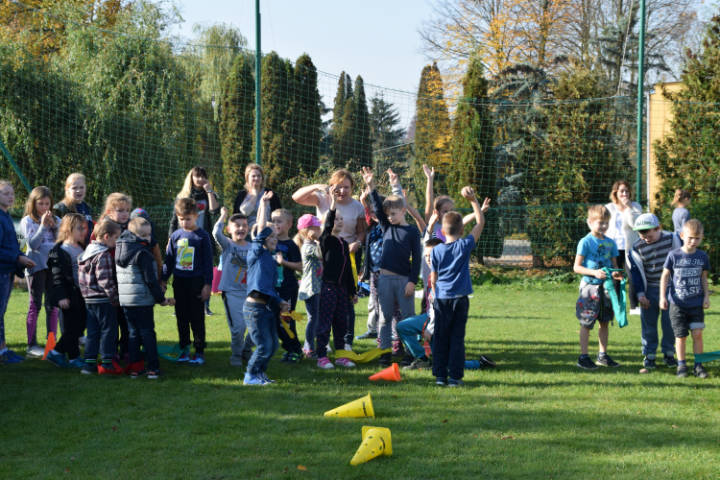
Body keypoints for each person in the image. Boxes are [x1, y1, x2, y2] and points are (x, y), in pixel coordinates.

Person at [292, 169, 366, 347]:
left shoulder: (357, 206)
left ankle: (346, 341)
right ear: (331, 186)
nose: (342, 191)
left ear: (352, 188)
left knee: (348, 298)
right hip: (326, 253)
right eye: (338, 187)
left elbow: (362, 231)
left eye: (346, 187)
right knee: (326, 300)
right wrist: (317, 186)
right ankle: (321, 342)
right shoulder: (323, 198)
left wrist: (357, 242)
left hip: (348, 254)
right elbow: (297, 197)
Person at [429, 187, 490, 387]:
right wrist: (473, 201)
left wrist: (434, 293)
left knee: (440, 337)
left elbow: (433, 276)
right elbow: (480, 223)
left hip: (441, 299)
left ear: (443, 231)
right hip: (459, 299)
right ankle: (454, 378)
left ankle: (440, 377)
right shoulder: (464, 246)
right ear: (462, 230)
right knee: (457, 338)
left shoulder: (436, 250)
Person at [362, 167, 422, 367]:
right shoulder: (385, 227)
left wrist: (412, 281)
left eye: (394, 214)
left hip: (404, 280)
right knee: (385, 318)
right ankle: (385, 353)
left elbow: (418, 258)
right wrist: (371, 186)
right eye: (387, 215)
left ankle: (410, 353)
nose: (390, 217)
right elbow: (378, 208)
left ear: (403, 211)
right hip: (384, 280)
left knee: (406, 320)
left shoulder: (412, 232)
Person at [116, 217, 174, 379]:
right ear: (135, 235)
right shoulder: (143, 254)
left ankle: (135, 368)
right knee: (148, 333)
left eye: (149, 234)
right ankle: (153, 368)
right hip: (142, 300)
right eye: (145, 235)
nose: (149, 238)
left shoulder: (120, 249)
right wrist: (161, 299)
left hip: (126, 301)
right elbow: (150, 280)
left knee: (133, 333)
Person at [242, 197, 289, 385]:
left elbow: (269, 289)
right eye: (269, 237)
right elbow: (261, 230)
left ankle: (260, 374)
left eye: (275, 238)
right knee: (263, 345)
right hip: (254, 309)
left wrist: (280, 302)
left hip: (266, 309)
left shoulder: (270, 259)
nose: (273, 240)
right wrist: (263, 205)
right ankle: (250, 375)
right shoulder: (256, 252)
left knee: (273, 345)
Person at [162, 198, 213, 365]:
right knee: (181, 317)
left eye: (188, 219)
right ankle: (184, 350)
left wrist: (207, 284)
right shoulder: (175, 236)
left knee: (197, 317)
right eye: (181, 219)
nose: (184, 222)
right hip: (180, 282)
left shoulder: (202, 236)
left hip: (196, 282)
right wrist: (163, 279)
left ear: (196, 216)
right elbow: (168, 260)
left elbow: (207, 262)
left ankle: (199, 352)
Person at [573, 205, 623, 370]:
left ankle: (602, 355)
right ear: (590, 222)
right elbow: (577, 267)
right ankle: (583, 356)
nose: (603, 226)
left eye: (606, 223)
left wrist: (617, 275)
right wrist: (594, 273)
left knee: (605, 321)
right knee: (586, 323)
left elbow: (614, 266)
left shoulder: (610, 243)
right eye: (600, 223)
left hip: (606, 289)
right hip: (590, 288)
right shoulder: (585, 242)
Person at [628, 213, 680, 372]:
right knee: (648, 324)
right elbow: (635, 275)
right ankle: (649, 355)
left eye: (647, 231)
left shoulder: (673, 239)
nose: (644, 235)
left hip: (671, 288)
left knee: (669, 323)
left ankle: (669, 353)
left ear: (658, 228)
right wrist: (640, 294)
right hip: (649, 289)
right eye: (640, 232)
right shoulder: (636, 248)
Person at [660, 219, 710, 379]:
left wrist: (707, 296)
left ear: (701, 238)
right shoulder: (673, 255)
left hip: (696, 303)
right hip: (677, 304)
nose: (693, 241)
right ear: (682, 236)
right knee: (680, 336)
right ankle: (681, 365)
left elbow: (704, 278)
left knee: (697, 334)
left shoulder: (702, 256)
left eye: (697, 238)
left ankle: (699, 366)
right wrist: (662, 297)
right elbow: (665, 276)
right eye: (690, 238)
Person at [315, 184, 358, 369]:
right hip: (328, 287)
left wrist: (352, 291)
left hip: (342, 290)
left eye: (341, 219)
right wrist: (332, 204)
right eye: (336, 219)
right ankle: (322, 356)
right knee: (325, 323)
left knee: (342, 323)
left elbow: (348, 271)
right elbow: (328, 224)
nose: (339, 222)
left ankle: (341, 355)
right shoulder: (327, 241)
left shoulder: (343, 242)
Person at [170, 166, 220, 316]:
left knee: (205, 271)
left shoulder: (208, 194)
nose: (200, 179)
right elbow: (173, 220)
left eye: (203, 176)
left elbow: (214, 210)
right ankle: (180, 304)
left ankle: (205, 306)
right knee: (182, 270)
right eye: (197, 176)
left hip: (203, 238)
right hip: (185, 240)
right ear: (191, 178)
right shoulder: (183, 196)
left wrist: (209, 191)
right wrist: (170, 238)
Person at [20, 186, 61, 357]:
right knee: (35, 305)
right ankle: (31, 345)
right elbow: (33, 245)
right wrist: (43, 227)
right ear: (33, 203)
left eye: (47, 204)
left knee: (53, 307)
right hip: (36, 267)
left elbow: (60, 244)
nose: (44, 207)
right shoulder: (27, 221)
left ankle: (51, 344)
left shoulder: (56, 219)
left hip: (53, 267)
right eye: (41, 204)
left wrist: (55, 228)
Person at [78, 219, 122, 375]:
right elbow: (105, 280)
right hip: (103, 299)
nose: (117, 242)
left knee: (93, 332)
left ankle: (89, 364)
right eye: (116, 238)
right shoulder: (102, 255)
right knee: (108, 330)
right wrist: (115, 297)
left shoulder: (85, 253)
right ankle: (107, 362)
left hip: (89, 299)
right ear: (106, 236)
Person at [0, 180, 36, 364]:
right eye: (5, 193)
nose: (11, 196)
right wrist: (18, 258)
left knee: (2, 311)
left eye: (12, 193)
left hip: (6, 271)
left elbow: (10, 245)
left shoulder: (5, 215)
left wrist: (20, 255)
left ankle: (3, 349)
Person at [45, 214, 88, 368]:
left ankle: (61, 354)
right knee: (72, 328)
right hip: (69, 295)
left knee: (80, 326)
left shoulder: (82, 247)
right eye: (79, 228)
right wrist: (62, 296)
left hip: (82, 294)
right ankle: (65, 355)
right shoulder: (60, 250)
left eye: (84, 227)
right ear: (68, 230)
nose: (83, 231)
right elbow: (57, 277)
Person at [213, 207, 251, 368]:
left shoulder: (252, 246)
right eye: (237, 225)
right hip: (232, 293)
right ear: (229, 229)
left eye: (244, 225)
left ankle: (246, 349)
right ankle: (236, 354)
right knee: (238, 328)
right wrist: (223, 216)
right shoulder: (228, 245)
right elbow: (215, 232)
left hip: (251, 294)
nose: (241, 228)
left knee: (258, 326)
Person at [397, 237, 443, 370]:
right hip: (429, 317)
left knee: (444, 364)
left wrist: (430, 328)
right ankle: (422, 358)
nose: (429, 259)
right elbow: (427, 239)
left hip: (439, 320)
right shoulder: (431, 275)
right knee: (403, 326)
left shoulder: (443, 277)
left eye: (432, 255)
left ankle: (479, 364)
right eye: (427, 256)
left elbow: (439, 307)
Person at [270, 204, 303, 362]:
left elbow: (300, 266)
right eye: (273, 221)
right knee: (275, 321)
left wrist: (283, 262)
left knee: (286, 320)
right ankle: (289, 348)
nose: (276, 224)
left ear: (289, 224)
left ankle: (296, 350)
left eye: (279, 221)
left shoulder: (291, 245)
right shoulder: (270, 242)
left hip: (288, 288)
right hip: (272, 289)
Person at [605, 180, 642, 310]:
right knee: (615, 277)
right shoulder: (609, 207)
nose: (624, 194)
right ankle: (617, 306)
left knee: (632, 276)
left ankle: (634, 307)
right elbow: (605, 227)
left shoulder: (636, 207)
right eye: (622, 191)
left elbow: (635, 225)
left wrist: (629, 208)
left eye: (627, 191)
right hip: (613, 248)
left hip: (629, 248)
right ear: (616, 193)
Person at [294, 214, 323, 359]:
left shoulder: (311, 245)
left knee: (316, 318)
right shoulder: (308, 246)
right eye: (317, 228)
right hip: (311, 288)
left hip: (317, 287)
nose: (320, 230)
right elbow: (322, 254)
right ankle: (309, 347)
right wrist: (318, 241)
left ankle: (311, 345)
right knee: (313, 318)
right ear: (308, 230)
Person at [52, 172, 93, 245]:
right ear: (67, 189)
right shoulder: (60, 209)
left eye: (81, 187)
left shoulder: (87, 207)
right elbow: (55, 235)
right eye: (74, 188)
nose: (78, 190)